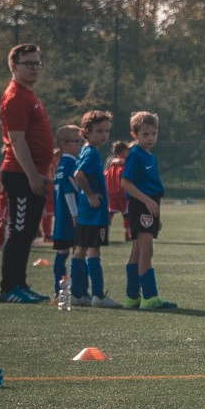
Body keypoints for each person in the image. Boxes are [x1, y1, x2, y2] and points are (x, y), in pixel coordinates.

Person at [0, 43, 53, 303]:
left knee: (28, 232)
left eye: (37, 63)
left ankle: (21, 285)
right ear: (13, 66)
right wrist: (32, 176)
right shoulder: (16, 96)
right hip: (20, 175)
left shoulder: (30, 94)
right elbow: (17, 141)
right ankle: (9, 288)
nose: (34, 68)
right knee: (19, 231)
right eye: (28, 63)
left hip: (33, 174)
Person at [121, 111, 177, 310]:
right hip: (142, 204)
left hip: (149, 205)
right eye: (145, 134)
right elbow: (125, 183)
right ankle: (150, 297)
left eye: (153, 133)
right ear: (134, 135)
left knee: (137, 251)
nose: (150, 138)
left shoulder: (149, 155)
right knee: (147, 251)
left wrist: (156, 215)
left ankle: (132, 297)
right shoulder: (135, 154)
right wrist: (146, 202)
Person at [71, 110, 121, 308]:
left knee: (81, 250)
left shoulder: (85, 149)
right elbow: (79, 174)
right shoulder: (91, 152)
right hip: (93, 212)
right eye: (99, 131)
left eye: (107, 131)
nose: (104, 135)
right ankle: (98, 296)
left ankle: (77, 293)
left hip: (86, 212)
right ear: (87, 132)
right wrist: (91, 195)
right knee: (93, 250)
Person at [51, 126, 82, 299]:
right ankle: (79, 292)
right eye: (77, 142)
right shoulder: (71, 163)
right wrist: (75, 215)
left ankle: (59, 292)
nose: (80, 145)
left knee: (62, 254)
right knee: (78, 253)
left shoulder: (61, 164)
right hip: (70, 219)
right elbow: (69, 191)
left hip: (61, 219)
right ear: (64, 144)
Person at [105, 141, 132, 241]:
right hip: (122, 193)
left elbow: (105, 174)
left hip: (111, 193)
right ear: (123, 151)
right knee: (126, 215)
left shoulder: (110, 163)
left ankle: (104, 235)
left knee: (110, 214)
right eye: (127, 151)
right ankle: (127, 235)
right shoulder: (124, 164)